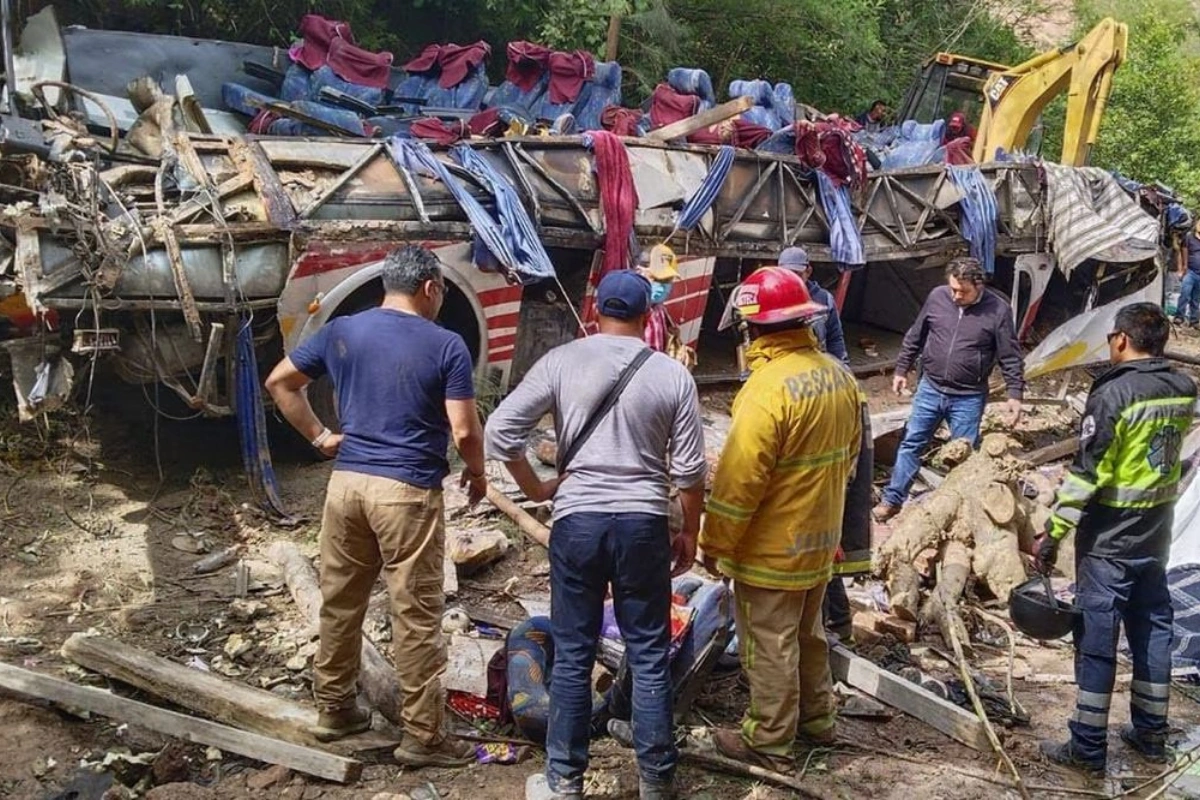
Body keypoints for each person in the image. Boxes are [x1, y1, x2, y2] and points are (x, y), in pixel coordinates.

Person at [485, 270, 708, 800]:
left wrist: (537, 488)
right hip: (643, 523)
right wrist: (690, 534)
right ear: (648, 317)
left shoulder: (562, 361)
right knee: (649, 654)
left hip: (578, 522)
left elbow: (500, 432)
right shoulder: (672, 375)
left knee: (573, 650)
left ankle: (564, 782)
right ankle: (656, 782)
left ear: (595, 312)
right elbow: (692, 474)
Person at [264, 245, 486, 768]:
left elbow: (280, 382)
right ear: (430, 288)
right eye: (442, 292)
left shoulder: (343, 330)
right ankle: (423, 736)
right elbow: (462, 429)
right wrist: (476, 473)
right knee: (416, 613)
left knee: (341, 602)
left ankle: (334, 708)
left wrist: (320, 436)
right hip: (406, 491)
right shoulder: (447, 344)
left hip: (346, 486)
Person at [700, 267, 862, 773]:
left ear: (753, 329)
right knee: (810, 635)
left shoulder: (767, 389)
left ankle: (769, 741)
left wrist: (715, 542)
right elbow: (852, 459)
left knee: (770, 644)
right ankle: (818, 721)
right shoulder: (839, 376)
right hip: (819, 542)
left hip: (772, 548)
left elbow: (738, 483)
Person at [1035, 302, 1197, 774]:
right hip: (1157, 534)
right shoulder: (1182, 388)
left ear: (1121, 340)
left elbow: (1087, 474)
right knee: (1153, 632)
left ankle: (1086, 747)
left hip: (1109, 539)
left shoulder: (1113, 395)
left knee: (1097, 641)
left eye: (1110, 338)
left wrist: (1053, 533)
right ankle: (1150, 734)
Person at [874, 257, 1024, 522]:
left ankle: (959, 514)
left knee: (963, 456)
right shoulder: (938, 298)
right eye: (953, 289)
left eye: (963, 291)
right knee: (911, 444)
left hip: (968, 397)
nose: (956, 296)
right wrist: (901, 369)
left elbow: (1010, 355)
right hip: (930, 388)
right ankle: (892, 500)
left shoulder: (998, 311)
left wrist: (1015, 393)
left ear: (979, 285)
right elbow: (915, 335)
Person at [778, 246, 869, 643]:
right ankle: (830, 622)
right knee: (822, 546)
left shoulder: (823, 303)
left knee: (821, 548)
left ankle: (832, 622)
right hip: (821, 478)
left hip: (814, 482)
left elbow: (838, 349)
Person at [1175, 220, 1200, 328]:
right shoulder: (1189, 237)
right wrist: (1182, 269)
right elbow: (1182, 253)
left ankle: (1194, 321)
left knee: (1196, 298)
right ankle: (1179, 317)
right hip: (1190, 271)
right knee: (1185, 294)